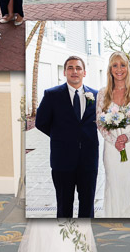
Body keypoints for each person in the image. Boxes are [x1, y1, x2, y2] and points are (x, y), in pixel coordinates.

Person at [35, 56, 98, 218]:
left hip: (88, 160)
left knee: (87, 206)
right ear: (64, 72)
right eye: (70, 68)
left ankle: (86, 239)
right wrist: (61, 136)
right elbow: (41, 122)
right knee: (64, 207)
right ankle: (63, 240)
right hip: (62, 160)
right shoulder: (52, 95)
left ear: (84, 72)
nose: (74, 71)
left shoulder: (97, 96)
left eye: (78, 68)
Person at [95, 51, 130, 217]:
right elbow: (99, 122)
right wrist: (115, 141)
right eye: (115, 65)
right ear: (110, 69)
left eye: (122, 65)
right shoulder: (103, 93)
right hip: (111, 149)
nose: (119, 69)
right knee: (114, 185)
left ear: (128, 68)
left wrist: (126, 138)